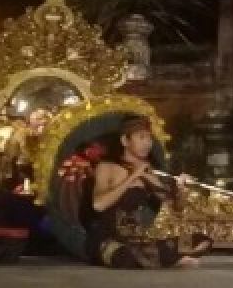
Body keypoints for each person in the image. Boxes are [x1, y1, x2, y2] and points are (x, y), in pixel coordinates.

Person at [87, 115, 211, 269]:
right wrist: (133, 176)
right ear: (125, 141)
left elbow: (176, 208)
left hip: (139, 241)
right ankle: (167, 259)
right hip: (108, 240)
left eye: (149, 139)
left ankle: (159, 258)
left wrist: (180, 189)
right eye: (141, 138)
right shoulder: (107, 167)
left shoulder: (149, 171)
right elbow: (98, 205)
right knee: (124, 256)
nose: (147, 143)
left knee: (202, 240)